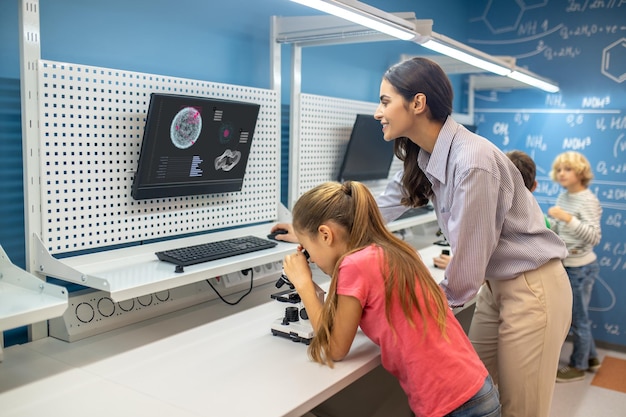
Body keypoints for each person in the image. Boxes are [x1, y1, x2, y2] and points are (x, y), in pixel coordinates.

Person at [272, 57, 572, 417]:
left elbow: (466, 270)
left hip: (531, 289)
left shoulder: (471, 162)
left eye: (385, 101)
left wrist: (404, 314)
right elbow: (379, 206)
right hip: (495, 287)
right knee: (478, 390)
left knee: (521, 410)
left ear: (417, 103)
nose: (377, 112)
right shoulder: (425, 154)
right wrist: (311, 229)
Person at [282, 180, 500, 417]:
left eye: (307, 248)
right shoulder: (393, 250)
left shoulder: (354, 265)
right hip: (476, 388)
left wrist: (303, 284)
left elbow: (334, 349)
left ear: (325, 235)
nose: (311, 260)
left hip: (454, 405)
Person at [432, 149, 545, 269]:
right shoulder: (537, 218)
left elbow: (484, 261)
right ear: (534, 186)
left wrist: (457, 265)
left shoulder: (497, 218)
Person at [548, 151, 603, 382]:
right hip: (567, 264)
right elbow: (561, 232)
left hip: (580, 268)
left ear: (580, 173)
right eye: (559, 169)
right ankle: (591, 357)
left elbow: (594, 236)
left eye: (567, 169)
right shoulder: (564, 197)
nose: (562, 174)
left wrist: (568, 218)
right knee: (578, 316)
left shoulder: (588, 199)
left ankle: (578, 366)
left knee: (577, 319)